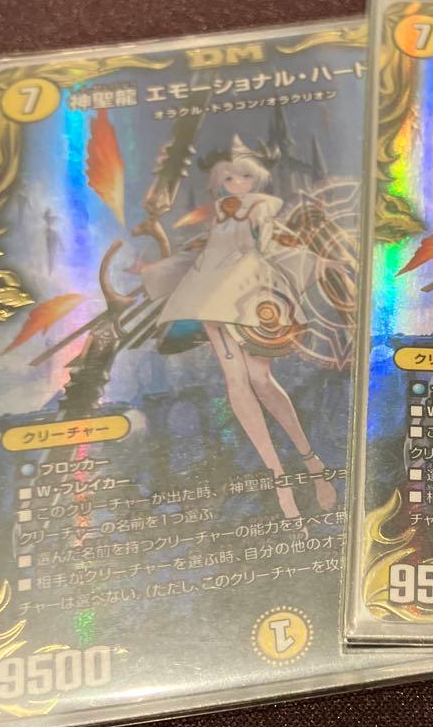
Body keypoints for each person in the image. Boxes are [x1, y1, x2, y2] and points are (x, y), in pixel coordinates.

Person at [142, 135, 337, 518]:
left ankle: (312, 462)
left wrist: (315, 262)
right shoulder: (221, 214)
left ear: (257, 178)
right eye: (228, 178)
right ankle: (279, 479)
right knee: (236, 380)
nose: (236, 184)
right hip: (211, 296)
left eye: (243, 176)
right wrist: (158, 273)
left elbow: (273, 242)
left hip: (250, 295)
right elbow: (204, 250)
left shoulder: (261, 207)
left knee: (261, 380)